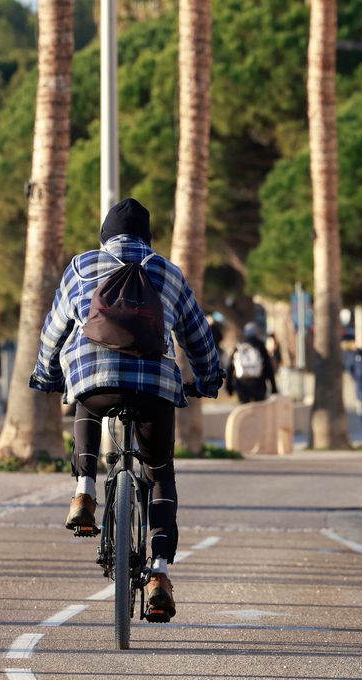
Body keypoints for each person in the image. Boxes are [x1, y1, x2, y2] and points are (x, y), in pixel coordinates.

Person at [29, 198, 223, 622]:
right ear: (146, 237)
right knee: (159, 473)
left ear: (106, 235)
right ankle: (158, 573)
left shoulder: (82, 267)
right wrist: (208, 380)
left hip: (93, 380)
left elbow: (53, 331)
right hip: (155, 388)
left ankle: (84, 490)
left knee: (87, 399)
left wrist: (46, 375)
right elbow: (199, 339)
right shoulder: (168, 273)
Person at [226, 322, 278, 404]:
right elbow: (268, 367)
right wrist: (273, 387)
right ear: (256, 332)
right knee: (259, 410)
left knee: (245, 412)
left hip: (242, 383)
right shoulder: (260, 345)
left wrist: (229, 387)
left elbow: (230, 367)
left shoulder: (239, 346)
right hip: (259, 383)